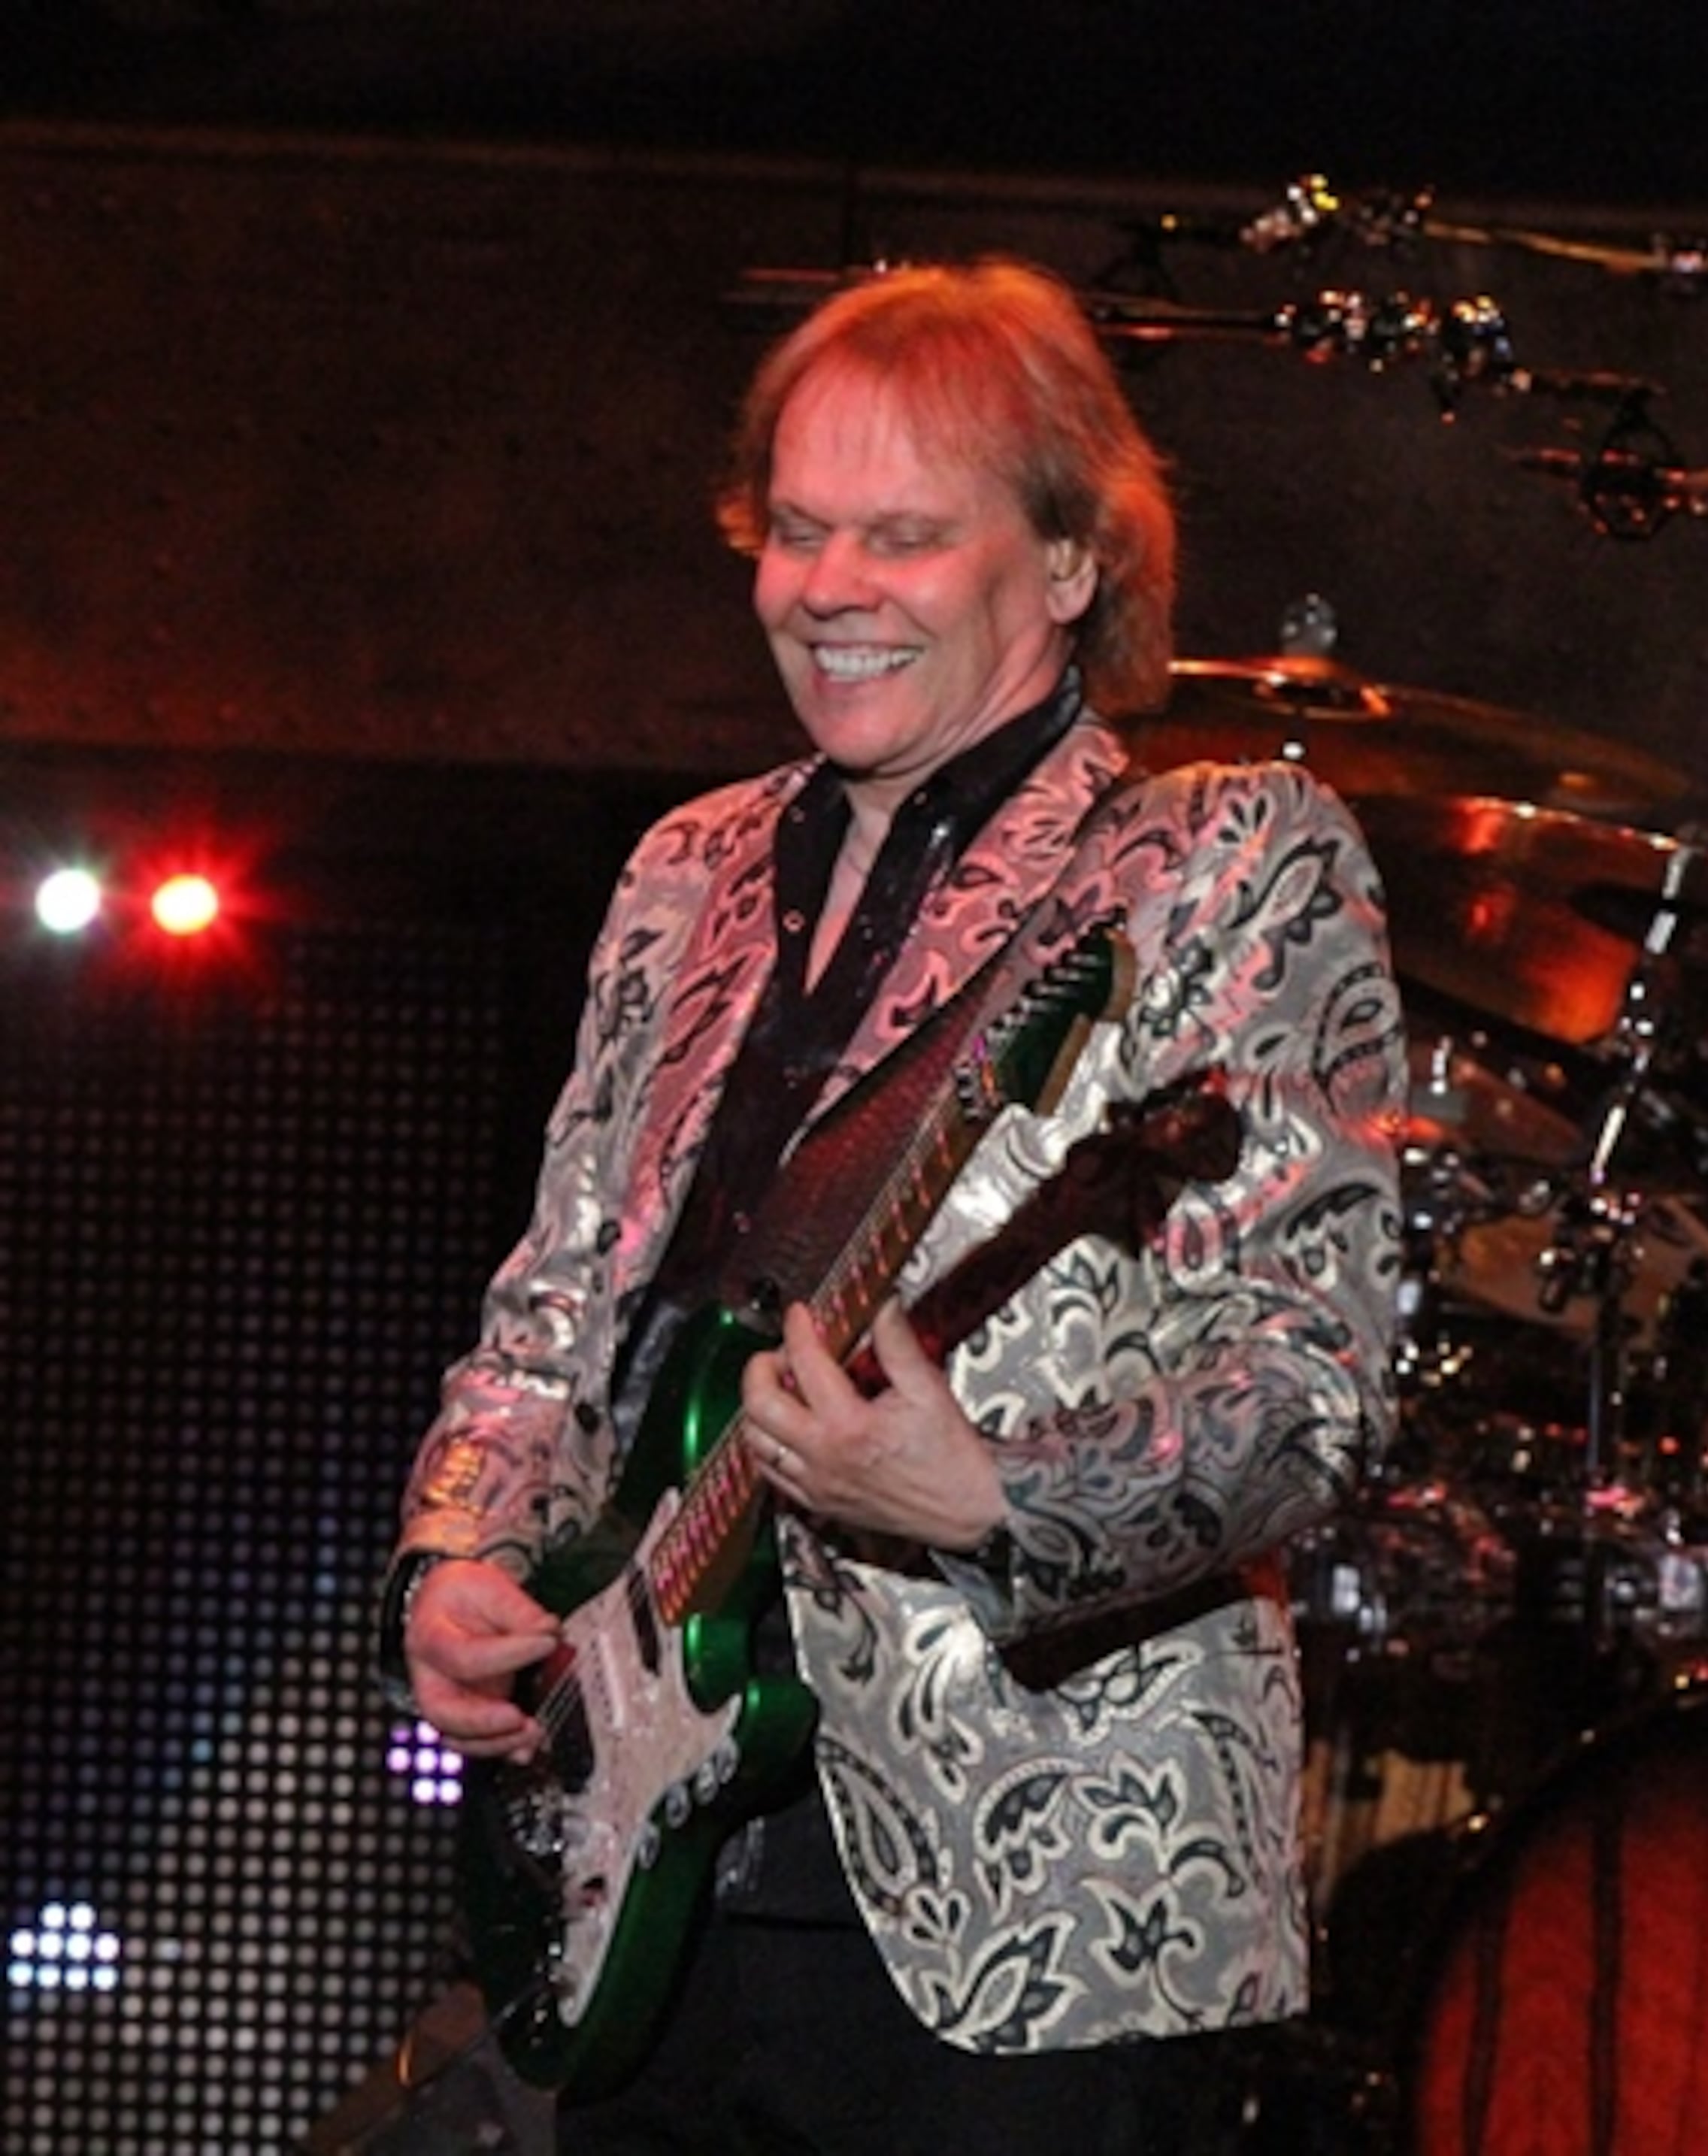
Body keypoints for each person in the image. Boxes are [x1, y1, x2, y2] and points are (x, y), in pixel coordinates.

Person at [377, 258, 1403, 2151]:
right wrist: (456, 1557)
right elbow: (554, 1312)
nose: (830, 586)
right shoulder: (682, 870)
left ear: (1072, 562)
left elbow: (1310, 1390)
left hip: (1034, 1905)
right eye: (798, 531)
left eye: (906, 536)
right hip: (644, 1881)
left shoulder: (1212, 860)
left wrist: (996, 1501)